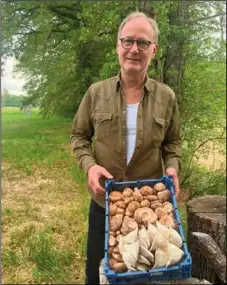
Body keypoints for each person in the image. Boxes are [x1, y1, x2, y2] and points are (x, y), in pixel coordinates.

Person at [70, 11, 181, 284]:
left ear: (153, 50)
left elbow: (173, 142)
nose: (134, 49)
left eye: (143, 43)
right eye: (128, 41)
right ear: (118, 46)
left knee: (146, 275)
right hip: (105, 205)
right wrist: (90, 166)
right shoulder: (96, 93)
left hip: (149, 210)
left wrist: (172, 166)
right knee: (97, 276)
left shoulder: (166, 97)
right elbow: (78, 136)